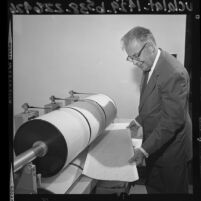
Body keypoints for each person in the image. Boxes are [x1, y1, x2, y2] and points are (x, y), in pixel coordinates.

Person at [121, 26, 192, 193]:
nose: (135, 62)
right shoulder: (149, 65)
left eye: (136, 56)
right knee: (154, 187)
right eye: (130, 58)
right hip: (157, 143)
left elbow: (172, 121)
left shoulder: (174, 73)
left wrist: (144, 150)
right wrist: (139, 120)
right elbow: (154, 102)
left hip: (173, 151)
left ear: (150, 47)